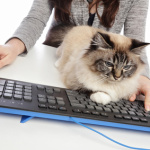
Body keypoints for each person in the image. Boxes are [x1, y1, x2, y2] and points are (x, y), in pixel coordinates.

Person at [0, 0, 150, 110]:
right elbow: (36, 19)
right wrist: (12, 47)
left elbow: (136, 42)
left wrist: (143, 78)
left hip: (104, 68)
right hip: (54, 58)